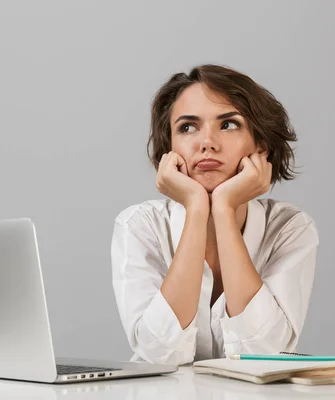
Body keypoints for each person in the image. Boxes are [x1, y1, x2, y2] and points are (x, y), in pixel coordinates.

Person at [111, 64, 319, 365]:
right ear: (169, 148)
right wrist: (197, 208)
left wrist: (223, 208)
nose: (206, 142)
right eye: (187, 127)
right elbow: (158, 354)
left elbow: (265, 354)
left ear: (260, 144)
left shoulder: (290, 228)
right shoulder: (139, 225)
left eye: (228, 124)